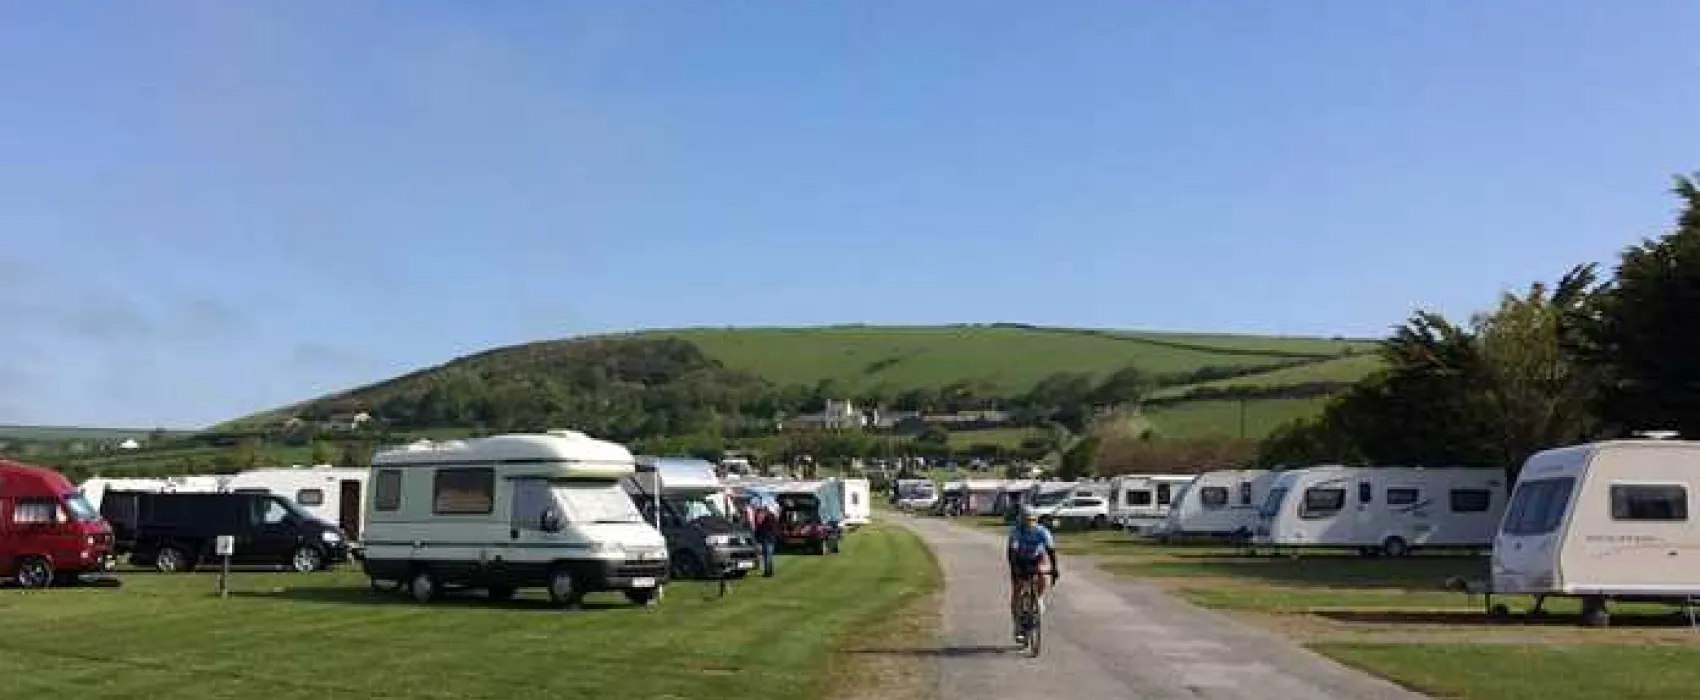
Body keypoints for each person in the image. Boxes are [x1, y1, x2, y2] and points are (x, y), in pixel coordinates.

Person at [1007, 507, 1059, 642]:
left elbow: (1051, 551)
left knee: (1042, 575)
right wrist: (1014, 570)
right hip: (1019, 558)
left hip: (1037, 558)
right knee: (1017, 590)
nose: (1029, 523)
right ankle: (1018, 624)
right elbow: (1012, 553)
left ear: (1036, 520)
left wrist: (1054, 570)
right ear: (1021, 520)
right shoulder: (1016, 531)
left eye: (1032, 520)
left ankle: (1039, 598)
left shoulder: (1042, 531)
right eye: (1026, 520)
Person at [750, 497, 781, 577]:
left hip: (766, 537)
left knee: (767, 555)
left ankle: (767, 572)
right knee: (769, 556)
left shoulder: (765, 516)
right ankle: (770, 571)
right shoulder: (773, 517)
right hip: (772, 538)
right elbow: (776, 528)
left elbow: (759, 525)